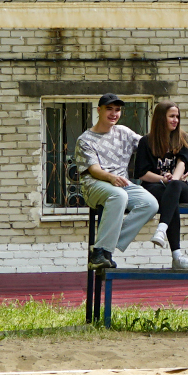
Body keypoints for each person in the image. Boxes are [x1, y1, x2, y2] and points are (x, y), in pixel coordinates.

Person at [74, 93, 159, 270]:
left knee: (150, 204)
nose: (114, 113)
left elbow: (150, 145)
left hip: (121, 183)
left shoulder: (124, 133)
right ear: (99, 110)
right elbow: (94, 170)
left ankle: (103, 247)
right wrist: (111, 177)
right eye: (109, 109)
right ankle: (100, 252)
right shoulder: (85, 140)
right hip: (95, 185)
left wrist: (184, 144)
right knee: (118, 195)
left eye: (117, 110)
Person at [128, 101, 188, 270]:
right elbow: (142, 174)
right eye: (171, 116)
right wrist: (162, 178)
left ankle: (161, 229)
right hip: (155, 187)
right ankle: (177, 256)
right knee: (170, 198)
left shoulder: (183, 139)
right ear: (161, 118)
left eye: (177, 116)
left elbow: (182, 165)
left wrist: (172, 179)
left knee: (174, 187)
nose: (176, 120)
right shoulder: (146, 142)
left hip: (179, 189)